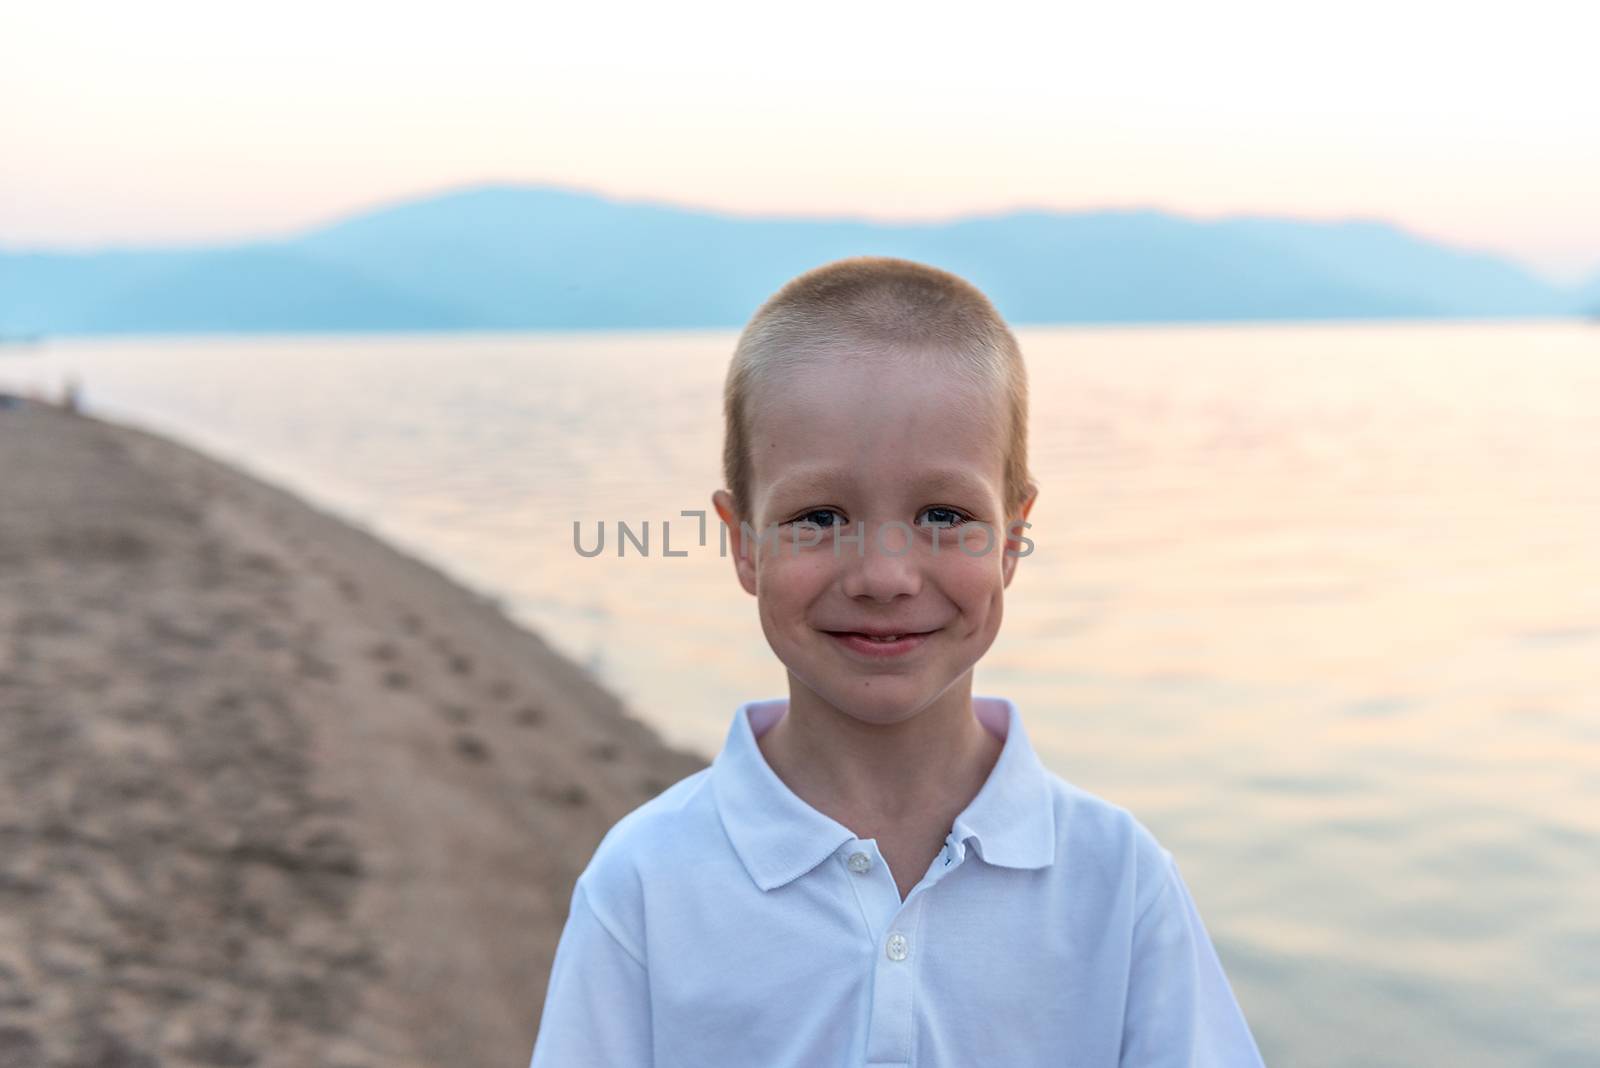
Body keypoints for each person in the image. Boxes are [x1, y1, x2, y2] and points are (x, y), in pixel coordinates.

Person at [526, 256, 1266, 1066]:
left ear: (1014, 536)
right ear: (743, 544)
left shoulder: (1116, 881)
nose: (885, 577)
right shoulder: (647, 882)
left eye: (943, 514)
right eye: (819, 516)